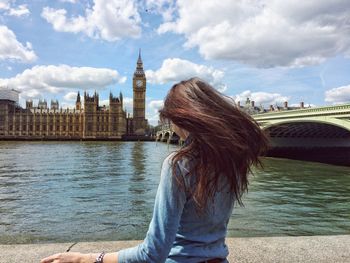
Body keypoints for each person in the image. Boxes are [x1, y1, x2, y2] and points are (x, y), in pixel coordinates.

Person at [41, 78, 269, 263]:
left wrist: (89, 258)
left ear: (181, 117)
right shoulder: (232, 160)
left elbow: (152, 254)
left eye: (170, 119)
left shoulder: (179, 164)